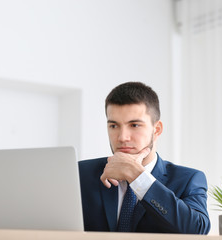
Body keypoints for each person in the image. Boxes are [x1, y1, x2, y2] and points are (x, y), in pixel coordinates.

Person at [78, 82, 210, 234]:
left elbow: (197, 230)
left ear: (157, 130)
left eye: (134, 125)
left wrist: (137, 176)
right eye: (114, 126)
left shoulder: (188, 179)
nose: (122, 137)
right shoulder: (81, 173)